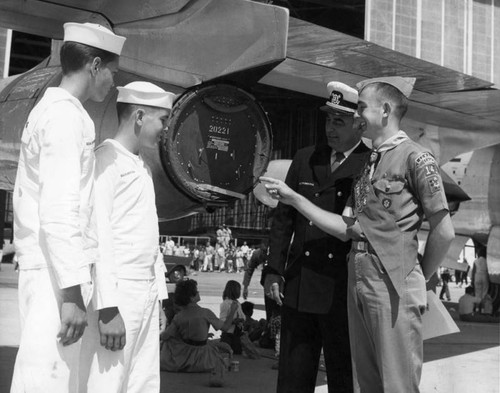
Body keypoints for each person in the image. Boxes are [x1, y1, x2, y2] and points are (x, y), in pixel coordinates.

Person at [261, 76, 455, 393]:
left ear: (386, 110)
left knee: (397, 384)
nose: (356, 116)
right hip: (359, 280)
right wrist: (295, 198)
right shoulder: (370, 166)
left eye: (361, 108)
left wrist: (416, 277)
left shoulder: (415, 159)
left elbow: (443, 231)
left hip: (393, 282)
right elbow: (348, 227)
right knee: (367, 384)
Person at [11, 22, 125, 393]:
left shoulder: (54, 110)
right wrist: (72, 294)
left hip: (49, 269)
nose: (113, 82)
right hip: (54, 277)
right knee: (48, 381)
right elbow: (59, 209)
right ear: (94, 66)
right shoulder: (64, 117)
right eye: (112, 71)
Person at [264, 81, 370, 393]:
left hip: (342, 289)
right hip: (301, 285)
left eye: (340, 121)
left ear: (359, 125)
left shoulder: (368, 164)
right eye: (328, 119)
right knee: (293, 378)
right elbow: (283, 219)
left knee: (343, 378)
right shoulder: (305, 158)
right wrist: (273, 270)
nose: (330, 128)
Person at [79, 81, 175, 393]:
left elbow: (150, 239)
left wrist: (159, 297)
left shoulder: (141, 166)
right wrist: (108, 309)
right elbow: (98, 237)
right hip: (120, 294)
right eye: (162, 120)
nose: (165, 129)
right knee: (107, 381)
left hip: (144, 294)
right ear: (138, 117)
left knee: (142, 383)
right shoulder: (106, 161)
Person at [160, 279, 238, 372]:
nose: (199, 292)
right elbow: (225, 327)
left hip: (184, 357)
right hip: (205, 359)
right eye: (196, 292)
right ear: (191, 298)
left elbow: (165, 336)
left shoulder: (179, 316)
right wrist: (232, 310)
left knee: (168, 341)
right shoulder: (205, 313)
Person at [219, 280, 246, 354]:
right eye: (239, 290)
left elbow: (243, 316)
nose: (240, 292)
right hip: (228, 334)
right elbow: (222, 320)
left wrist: (242, 319)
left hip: (237, 333)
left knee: (237, 351)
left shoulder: (237, 303)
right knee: (227, 351)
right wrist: (234, 321)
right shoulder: (225, 304)